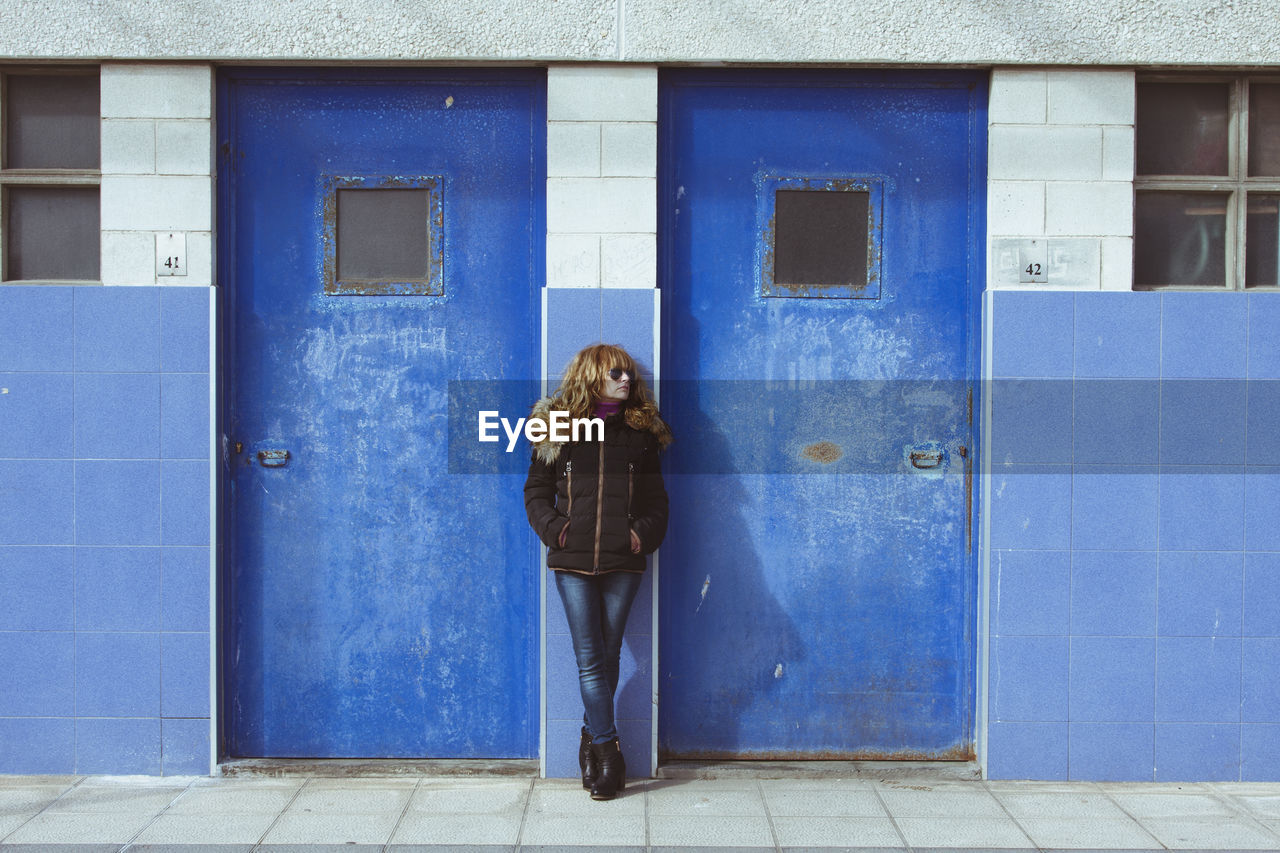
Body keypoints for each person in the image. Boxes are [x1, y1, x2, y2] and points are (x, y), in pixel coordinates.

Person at [523, 344, 671, 800]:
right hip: (572, 562)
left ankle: (590, 740)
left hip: (623, 562)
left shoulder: (639, 434)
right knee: (591, 661)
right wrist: (558, 531)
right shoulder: (559, 428)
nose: (626, 380)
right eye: (615, 374)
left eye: (628, 374)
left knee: (607, 658)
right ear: (592, 376)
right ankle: (609, 753)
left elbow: (656, 503)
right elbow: (535, 492)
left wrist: (638, 537)